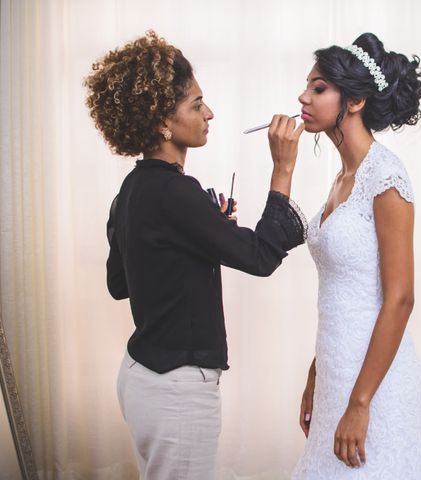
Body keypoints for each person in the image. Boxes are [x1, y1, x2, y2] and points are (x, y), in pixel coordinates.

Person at [84, 31, 306, 480]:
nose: (209, 113)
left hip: (141, 379)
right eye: (196, 104)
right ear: (162, 121)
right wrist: (282, 168)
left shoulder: (133, 189)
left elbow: (120, 283)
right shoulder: (174, 193)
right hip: (176, 391)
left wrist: (202, 235)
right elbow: (261, 257)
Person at [291, 33, 421, 479]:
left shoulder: (385, 175)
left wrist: (360, 403)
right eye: (307, 85)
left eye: (319, 87)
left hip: (375, 383)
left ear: (356, 101)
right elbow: (345, 293)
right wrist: (316, 374)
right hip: (337, 369)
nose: (304, 96)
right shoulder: (342, 178)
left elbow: (400, 297)